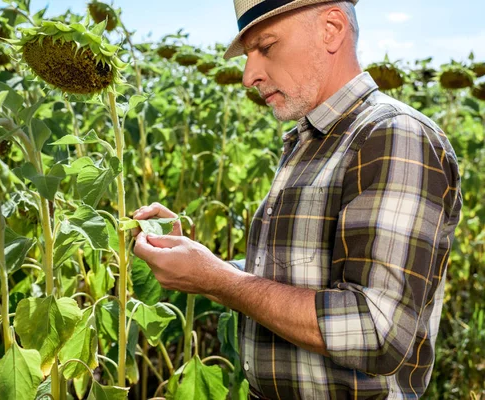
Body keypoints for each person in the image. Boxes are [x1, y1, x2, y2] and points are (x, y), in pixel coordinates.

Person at [132, 0, 463, 398]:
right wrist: (200, 260)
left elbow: (377, 330)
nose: (248, 76)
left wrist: (217, 281)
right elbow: (295, 278)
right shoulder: (313, 139)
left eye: (266, 47)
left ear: (331, 28)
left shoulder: (393, 135)